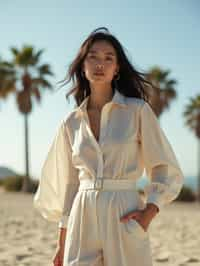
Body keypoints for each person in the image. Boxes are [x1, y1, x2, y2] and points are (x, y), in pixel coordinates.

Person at [33, 27, 184, 266]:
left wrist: (149, 212)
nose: (100, 64)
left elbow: (164, 167)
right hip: (82, 215)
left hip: (124, 212)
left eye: (108, 58)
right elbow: (70, 184)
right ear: (83, 66)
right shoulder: (71, 122)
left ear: (117, 69)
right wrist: (62, 243)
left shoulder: (137, 110)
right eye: (93, 56)